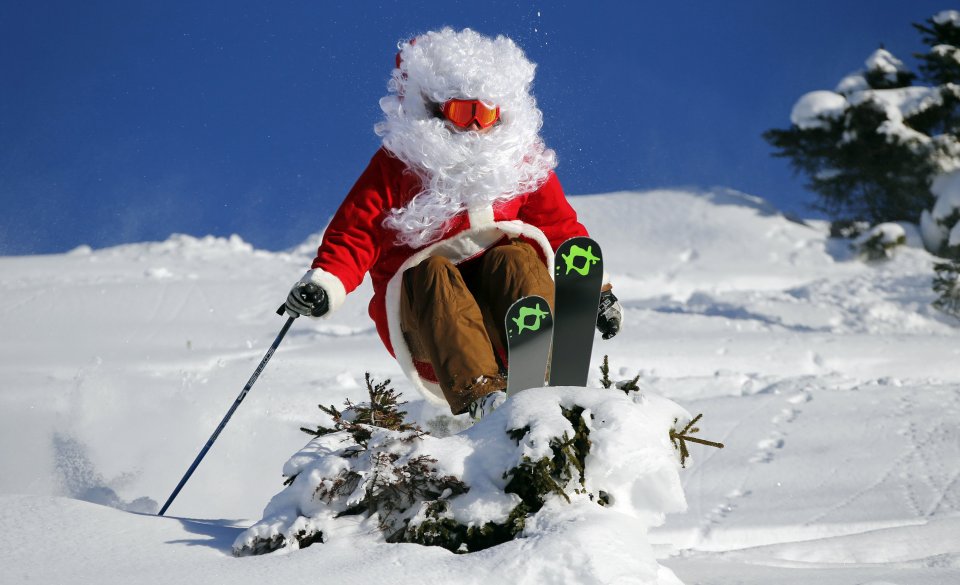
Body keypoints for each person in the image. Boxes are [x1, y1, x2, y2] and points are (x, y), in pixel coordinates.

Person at [283, 28, 622, 419]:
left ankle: (545, 371)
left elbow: (558, 226)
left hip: (504, 311)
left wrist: (595, 293)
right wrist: (325, 283)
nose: (476, 127)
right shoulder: (397, 168)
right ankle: (482, 395)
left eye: (487, 113)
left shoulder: (520, 162)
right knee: (434, 273)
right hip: (434, 330)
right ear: (432, 110)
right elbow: (355, 233)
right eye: (464, 113)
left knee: (514, 259)